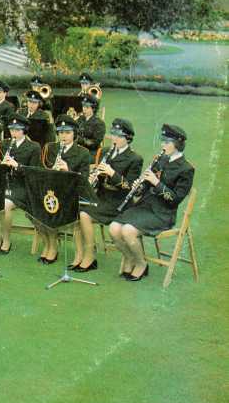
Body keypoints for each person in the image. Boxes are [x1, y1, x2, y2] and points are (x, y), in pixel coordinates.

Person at [110, 124, 194, 281]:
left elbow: (175, 200)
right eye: (163, 141)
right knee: (114, 228)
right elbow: (146, 185)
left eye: (167, 142)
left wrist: (156, 183)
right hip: (145, 207)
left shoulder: (186, 169)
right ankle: (130, 258)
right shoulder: (160, 159)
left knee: (128, 230)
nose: (163, 145)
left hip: (163, 213)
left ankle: (141, 264)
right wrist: (139, 187)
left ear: (178, 144)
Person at [72, 118, 143, 272]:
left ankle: (90, 256)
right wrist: (94, 177)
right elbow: (98, 181)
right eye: (113, 135)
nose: (114, 139)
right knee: (76, 209)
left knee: (84, 214)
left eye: (118, 136)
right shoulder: (105, 152)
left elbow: (129, 188)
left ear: (128, 139)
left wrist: (111, 173)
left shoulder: (135, 159)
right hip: (102, 198)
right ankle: (81, 253)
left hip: (119, 202)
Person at [39, 115, 90, 264]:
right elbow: (42, 170)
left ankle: (79, 254)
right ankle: (51, 245)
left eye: (67, 133)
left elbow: (84, 180)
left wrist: (68, 170)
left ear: (74, 133)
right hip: (52, 192)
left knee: (65, 213)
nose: (63, 136)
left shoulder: (83, 152)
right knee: (36, 210)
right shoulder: (51, 148)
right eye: (61, 133)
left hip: (72, 193)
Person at [0, 114, 42, 253]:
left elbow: (34, 172)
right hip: (6, 183)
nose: (13, 133)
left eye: (17, 130)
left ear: (24, 130)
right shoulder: (3, 144)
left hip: (23, 187)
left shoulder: (34, 147)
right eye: (12, 130)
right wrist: (1, 166)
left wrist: (17, 166)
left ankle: (6, 240)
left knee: (5, 205)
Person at [75, 94, 106, 162]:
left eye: (87, 107)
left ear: (94, 108)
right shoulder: (80, 119)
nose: (84, 109)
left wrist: (79, 139)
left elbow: (94, 143)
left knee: (74, 160)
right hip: (78, 150)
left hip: (92, 153)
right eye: (83, 106)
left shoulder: (99, 123)